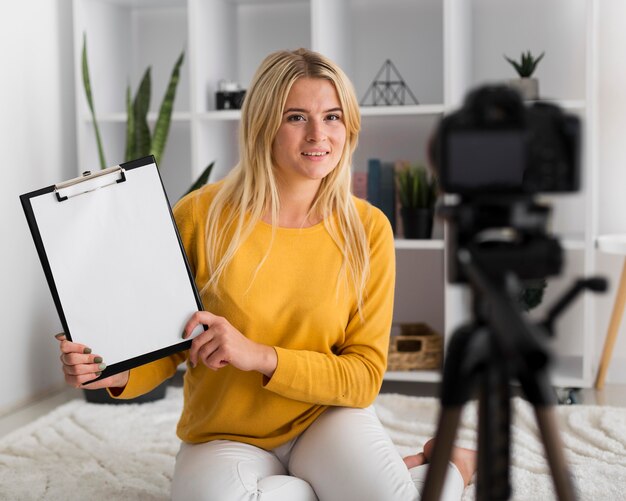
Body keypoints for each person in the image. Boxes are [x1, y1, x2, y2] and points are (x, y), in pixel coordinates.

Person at [56, 48, 475, 500]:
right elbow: (165, 344)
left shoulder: (368, 229)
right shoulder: (201, 214)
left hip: (325, 417)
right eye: (296, 117)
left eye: (332, 116)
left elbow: (364, 376)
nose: (319, 134)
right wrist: (112, 372)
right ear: (263, 124)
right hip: (224, 433)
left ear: (349, 125)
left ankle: (454, 464)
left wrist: (260, 356)